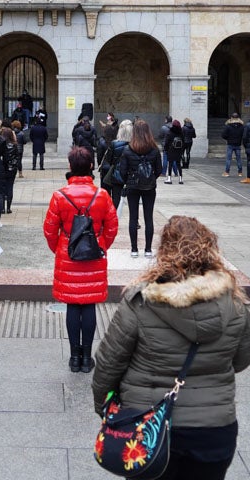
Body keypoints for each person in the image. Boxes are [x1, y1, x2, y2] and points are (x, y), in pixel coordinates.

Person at [92, 216, 250, 480]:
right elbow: (243, 359)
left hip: (146, 425)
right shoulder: (234, 304)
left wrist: (105, 407)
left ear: (164, 252)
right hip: (214, 428)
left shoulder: (140, 303)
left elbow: (109, 363)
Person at [44, 146, 118, 373]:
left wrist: (60, 248)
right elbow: (112, 227)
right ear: (91, 167)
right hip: (94, 255)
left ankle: (74, 357)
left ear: (70, 167)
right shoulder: (102, 195)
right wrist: (101, 245)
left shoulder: (59, 196)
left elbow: (49, 229)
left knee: (72, 306)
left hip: (68, 254)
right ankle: (87, 357)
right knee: (89, 306)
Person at [117, 120, 163, 258]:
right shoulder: (154, 150)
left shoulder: (127, 150)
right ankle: (148, 250)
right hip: (149, 187)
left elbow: (122, 171)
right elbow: (159, 170)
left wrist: (129, 181)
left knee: (133, 217)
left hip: (133, 186)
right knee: (148, 218)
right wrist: (151, 178)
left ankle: (134, 249)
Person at [100, 120, 132, 209]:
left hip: (117, 175)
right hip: (131, 176)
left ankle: (114, 216)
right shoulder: (134, 144)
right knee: (133, 201)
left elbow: (109, 161)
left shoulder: (114, 144)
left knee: (116, 198)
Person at [0, 126, 21, 214]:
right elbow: (17, 157)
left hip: (3, 168)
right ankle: (8, 208)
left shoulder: (1, 144)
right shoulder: (15, 145)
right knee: (10, 187)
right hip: (12, 169)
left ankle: (2, 208)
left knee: (2, 188)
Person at [221, 112, 245, 177]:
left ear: (231, 118)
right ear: (238, 118)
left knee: (228, 159)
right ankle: (240, 172)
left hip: (230, 144)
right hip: (238, 144)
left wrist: (227, 139)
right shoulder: (242, 126)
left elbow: (223, 135)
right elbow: (244, 135)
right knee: (239, 159)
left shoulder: (228, 126)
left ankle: (227, 172)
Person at [164, 119, 186, 184]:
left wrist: (166, 149)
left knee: (170, 164)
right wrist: (181, 150)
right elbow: (183, 142)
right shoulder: (181, 132)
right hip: (178, 151)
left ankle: (169, 179)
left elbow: (166, 142)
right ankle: (180, 179)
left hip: (171, 150)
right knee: (178, 164)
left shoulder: (170, 132)